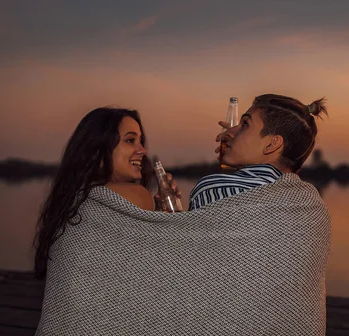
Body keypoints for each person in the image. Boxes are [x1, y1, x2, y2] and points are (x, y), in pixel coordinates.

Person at [34, 106, 180, 279]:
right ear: (99, 149)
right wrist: (171, 215)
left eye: (140, 141)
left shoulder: (72, 197)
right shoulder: (136, 195)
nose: (142, 150)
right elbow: (167, 262)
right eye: (130, 140)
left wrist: (156, 212)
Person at [189, 93, 327, 210]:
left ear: (271, 144)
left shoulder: (214, 190)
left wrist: (169, 202)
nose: (229, 132)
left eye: (245, 124)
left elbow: (182, 240)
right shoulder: (313, 205)